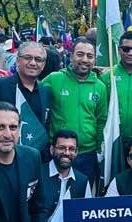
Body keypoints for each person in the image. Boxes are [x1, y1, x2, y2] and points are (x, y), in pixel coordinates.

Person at [42, 39, 107, 184]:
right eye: (80, 54)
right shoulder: (54, 79)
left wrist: (98, 149)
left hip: (87, 154)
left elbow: (101, 119)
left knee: (82, 199)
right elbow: (31, 93)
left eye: (90, 56)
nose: (85, 59)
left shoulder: (100, 87)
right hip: (59, 153)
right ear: (71, 56)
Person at [0, 42, 51, 155]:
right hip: (0, 156)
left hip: (34, 159)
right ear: (18, 60)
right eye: (28, 58)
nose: (33, 63)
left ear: (43, 65)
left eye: (38, 59)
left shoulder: (46, 92)